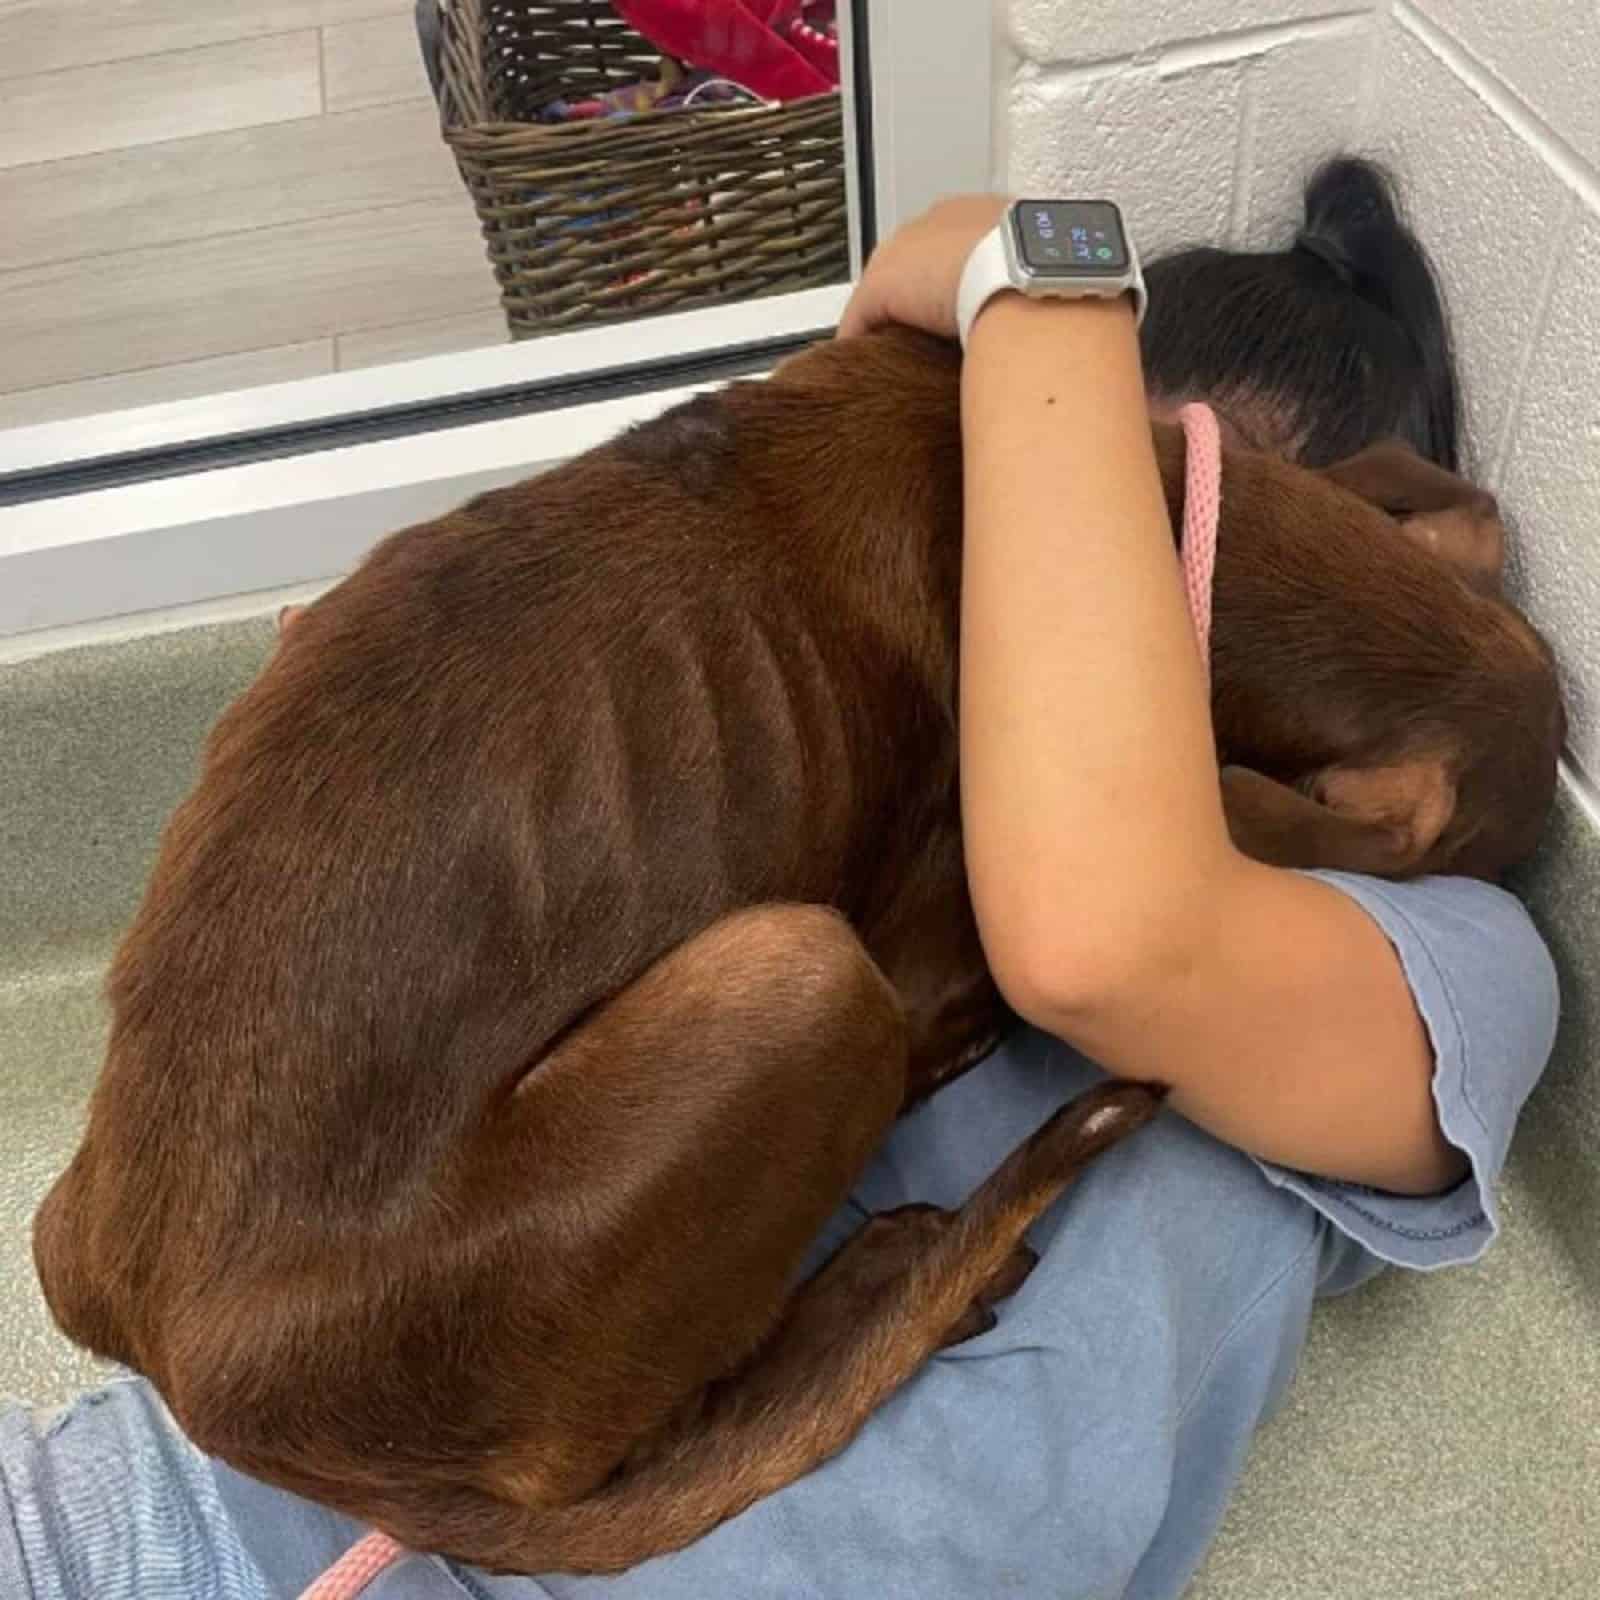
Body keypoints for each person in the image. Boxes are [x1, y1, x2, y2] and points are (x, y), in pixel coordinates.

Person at [0, 158, 1556, 1600]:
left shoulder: (1449, 954)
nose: (1012, 574)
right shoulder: (862, 705)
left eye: (1075, 499)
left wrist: (1032, 287)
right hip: (163, 1498)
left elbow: (1101, 925)